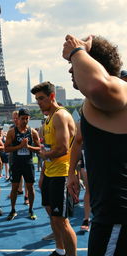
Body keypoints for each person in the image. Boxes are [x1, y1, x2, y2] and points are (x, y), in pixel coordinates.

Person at [63, 34, 127, 256]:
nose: (71, 71)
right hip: (111, 216)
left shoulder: (118, 88)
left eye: (73, 66)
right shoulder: (94, 106)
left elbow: (99, 85)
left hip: (117, 218)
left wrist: (76, 51)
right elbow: (79, 138)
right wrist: (71, 172)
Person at [31, 81, 77, 256]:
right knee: (54, 217)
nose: (39, 103)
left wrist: (44, 156)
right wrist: (43, 173)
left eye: (42, 98)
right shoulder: (49, 118)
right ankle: (60, 250)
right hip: (51, 173)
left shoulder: (60, 116)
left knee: (62, 221)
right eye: (37, 99)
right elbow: (49, 148)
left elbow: (63, 148)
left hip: (62, 174)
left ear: (52, 97)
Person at [5, 108, 41, 220]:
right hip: (16, 163)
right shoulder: (12, 132)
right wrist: (19, 147)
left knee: (30, 187)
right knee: (15, 187)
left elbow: (39, 148)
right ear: (18, 119)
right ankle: (13, 209)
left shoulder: (32, 132)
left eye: (27, 118)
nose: (25, 121)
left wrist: (29, 147)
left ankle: (31, 209)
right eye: (22, 118)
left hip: (28, 163)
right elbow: (6, 148)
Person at [68, 122, 91, 232]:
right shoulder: (84, 123)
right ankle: (86, 218)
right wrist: (71, 172)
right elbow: (77, 143)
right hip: (88, 161)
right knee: (89, 190)